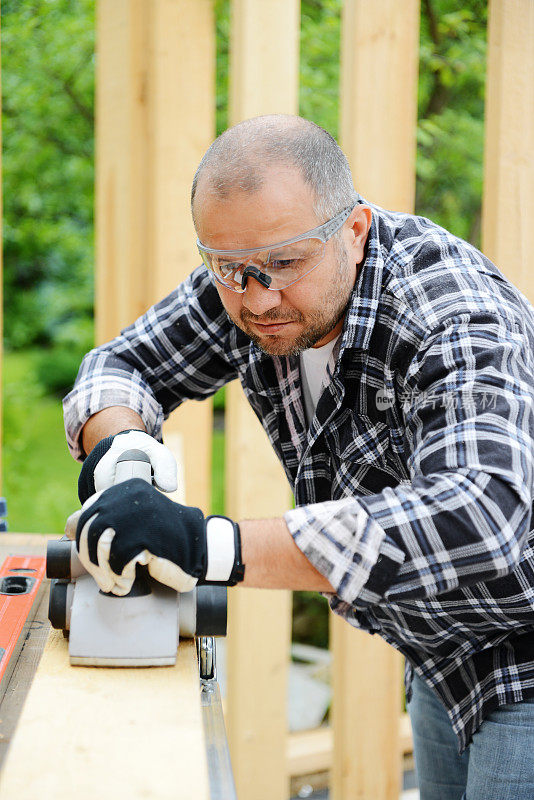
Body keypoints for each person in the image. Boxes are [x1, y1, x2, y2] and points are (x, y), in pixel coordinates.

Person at [64, 115, 534, 799]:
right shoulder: (251, 276)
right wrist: (125, 456)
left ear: (355, 229)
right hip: (445, 656)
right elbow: (121, 365)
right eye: (231, 269)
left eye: (285, 264)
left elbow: (484, 514)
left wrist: (206, 545)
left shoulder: (449, 314)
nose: (259, 297)